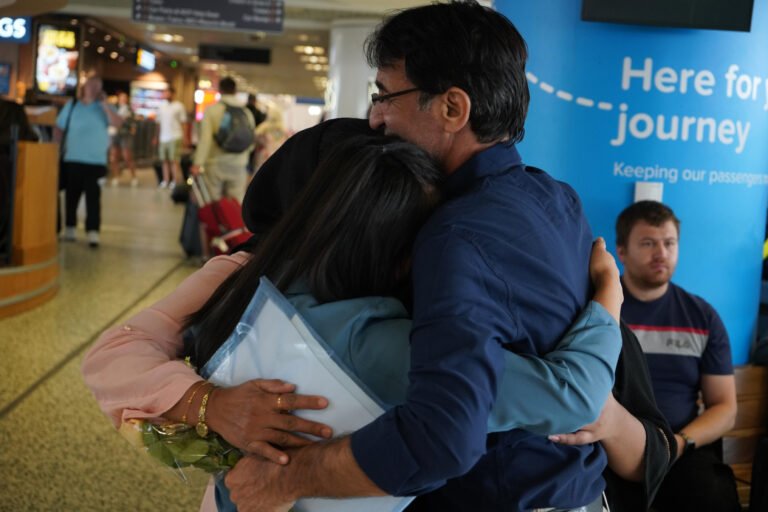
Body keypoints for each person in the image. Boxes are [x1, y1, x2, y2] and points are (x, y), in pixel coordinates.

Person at [82, 135, 622, 512]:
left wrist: (211, 405)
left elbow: (111, 358)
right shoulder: (383, 341)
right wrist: (608, 304)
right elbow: (573, 395)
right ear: (398, 245)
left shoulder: (246, 279)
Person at [615, 200, 740, 512]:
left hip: (680, 446)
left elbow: (724, 407)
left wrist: (679, 443)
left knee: (713, 495)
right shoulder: (600, 309)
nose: (661, 253)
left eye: (669, 243)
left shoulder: (702, 317)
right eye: (647, 243)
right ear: (621, 252)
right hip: (611, 445)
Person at [54, 75, 123, 248]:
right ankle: (69, 228)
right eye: (91, 85)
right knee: (71, 196)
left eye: (97, 86)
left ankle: (93, 231)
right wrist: (55, 149)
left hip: (96, 161)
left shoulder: (104, 108)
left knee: (93, 198)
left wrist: (105, 106)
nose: (93, 89)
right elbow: (59, 128)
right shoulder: (72, 105)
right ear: (84, 87)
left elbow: (118, 123)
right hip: (72, 158)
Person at [190, 77, 255, 202]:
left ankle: (217, 222)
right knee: (235, 205)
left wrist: (197, 163)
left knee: (214, 204)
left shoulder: (212, 110)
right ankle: (234, 222)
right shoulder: (246, 113)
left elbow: (205, 140)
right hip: (239, 164)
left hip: (215, 164)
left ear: (220, 90)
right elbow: (251, 141)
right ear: (235, 91)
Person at [155, 86, 187, 189]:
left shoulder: (179, 106)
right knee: (164, 160)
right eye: (165, 92)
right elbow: (158, 123)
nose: (167, 94)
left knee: (174, 160)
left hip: (175, 136)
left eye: (168, 92)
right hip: (163, 137)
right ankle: (165, 180)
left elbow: (183, 123)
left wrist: (185, 137)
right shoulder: (161, 106)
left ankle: (175, 180)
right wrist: (156, 137)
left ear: (173, 94)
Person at [109, 91, 138, 187]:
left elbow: (133, 124)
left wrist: (128, 124)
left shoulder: (130, 110)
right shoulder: (114, 108)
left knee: (127, 157)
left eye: (125, 98)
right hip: (114, 134)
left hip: (125, 135)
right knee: (114, 157)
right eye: (122, 97)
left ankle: (134, 177)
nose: (123, 99)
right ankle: (116, 177)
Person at [245, 93, 266, 175]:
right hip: (254, 140)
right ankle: (250, 174)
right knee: (252, 159)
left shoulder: (243, 110)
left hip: (242, 139)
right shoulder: (258, 112)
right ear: (255, 101)